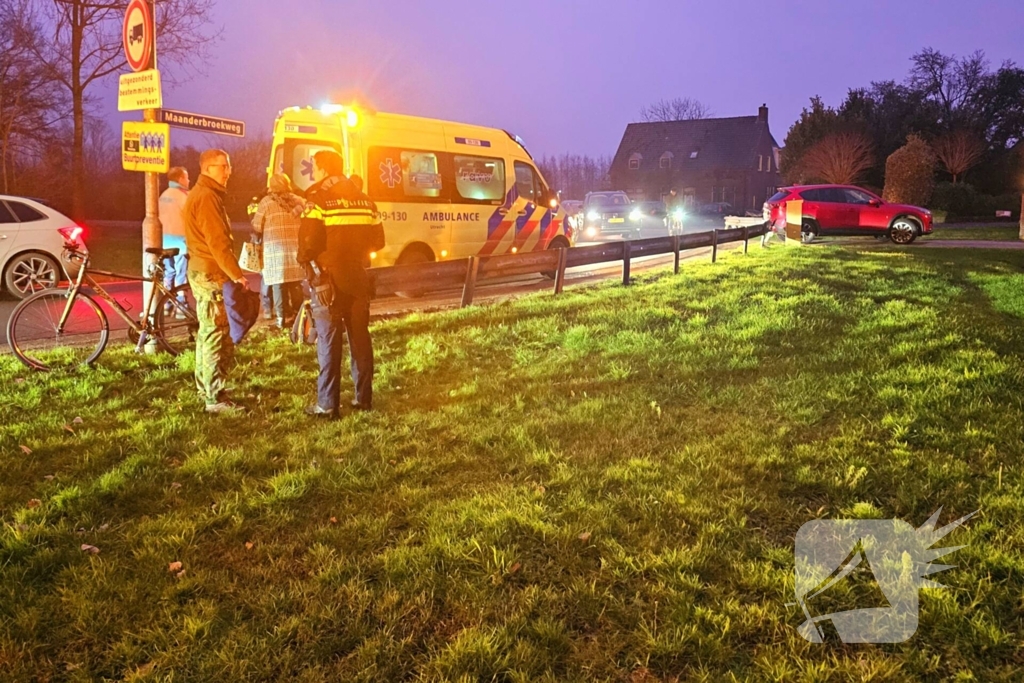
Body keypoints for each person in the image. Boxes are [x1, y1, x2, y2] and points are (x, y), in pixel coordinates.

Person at [298, 150, 385, 418]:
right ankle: (363, 399)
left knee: (329, 340)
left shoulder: (318, 201)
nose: (313, 173)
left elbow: (307, 245)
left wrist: (310, 261)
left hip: (329, 281)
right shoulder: (367, 202)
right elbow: (378, 242)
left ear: (323, 169)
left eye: (314, 167)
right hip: (358, 278)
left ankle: (327, 405)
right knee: (360, 338)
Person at [183, 149, 248, 414]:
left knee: (208, 332)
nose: (228, 171)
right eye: (223, 166)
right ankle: (214, 398)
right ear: (207, 169)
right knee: (216, 333)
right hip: (211, 273)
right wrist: (237, 275)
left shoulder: (202, 194)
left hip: (203, 270)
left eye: (228, 165)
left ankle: (208, 387)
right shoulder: (207, 197)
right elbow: (218, 243)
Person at [252, 173, 305, 329]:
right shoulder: (298, 200)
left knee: (278, 283)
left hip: (274, 249)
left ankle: (281, 319)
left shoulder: (266, 202)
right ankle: (300, 314)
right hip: (295, 248)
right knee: (296, 283)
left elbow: (257, 225)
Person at [158, 167, 190, 313]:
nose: (189, 180)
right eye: (187, 177)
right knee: (181, 273)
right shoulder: (183, 196)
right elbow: (191, 217)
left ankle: (167, 304)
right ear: (181, 179)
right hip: (180, 241)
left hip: (164, 241)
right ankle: (181, 306)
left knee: (168, 272)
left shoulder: (163, 195)